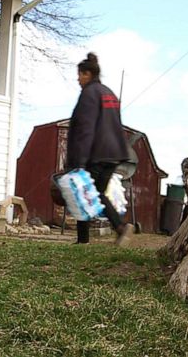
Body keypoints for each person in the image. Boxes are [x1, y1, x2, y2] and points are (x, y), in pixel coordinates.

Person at [65, 52, 135, 246]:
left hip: (96, 153)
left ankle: (113, 229)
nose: (78, 79)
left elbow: (85, 128)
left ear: (88, 74)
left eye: (79, 74)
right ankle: (112, 229)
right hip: (114, 152)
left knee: (85, 193)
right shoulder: (109, 93)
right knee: (95, 193)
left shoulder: (89, 93)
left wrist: (79, 161)